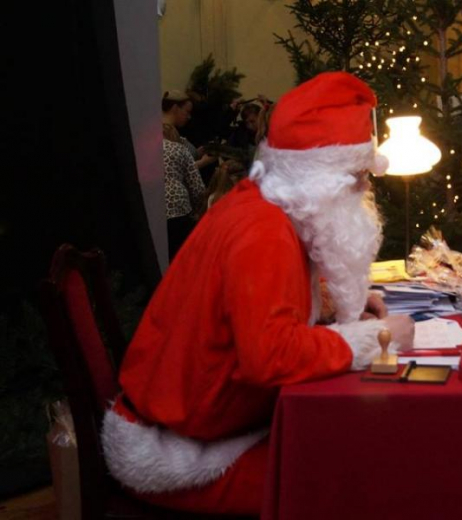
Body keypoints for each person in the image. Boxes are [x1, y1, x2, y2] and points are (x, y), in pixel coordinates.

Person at [101, 72, 415, 515]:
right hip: (177, 452)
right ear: (317, 176)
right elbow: (269, 355)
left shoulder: (265, 206)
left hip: (201, 424)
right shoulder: (263, 232)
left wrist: (326, 302)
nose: (365, 188)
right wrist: (375, 338)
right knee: (351, 483)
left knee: (352, 454)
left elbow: (259, 302)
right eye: (355, 175)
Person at [162, 137, 206, 260]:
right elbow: (196, 186)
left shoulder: (141, 151)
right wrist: (199, 210)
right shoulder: (178, 149)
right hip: (178, 206)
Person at [162, 90, 216, 173]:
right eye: (187, 112)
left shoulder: (171, 130)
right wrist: (203, 162)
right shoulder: (164, 132)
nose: (189, 117)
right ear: (175, 108)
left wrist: (197, 153)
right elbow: (172, 171)